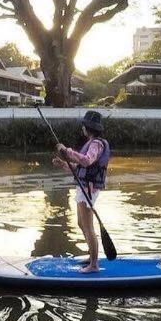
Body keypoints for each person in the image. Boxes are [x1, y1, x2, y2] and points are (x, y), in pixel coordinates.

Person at [53, 110, 110, 274]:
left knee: (88, 226)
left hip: (89, 189)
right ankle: (92, 257)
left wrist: (67, 151)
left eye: (84, 126)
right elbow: (79, 168)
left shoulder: (97, 144)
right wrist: (63, 163)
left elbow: (86, 161)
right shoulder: (92, 142)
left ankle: (94, 265)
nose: (82, 128)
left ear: (88, 127)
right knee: (80, 223)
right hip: (84, 186)